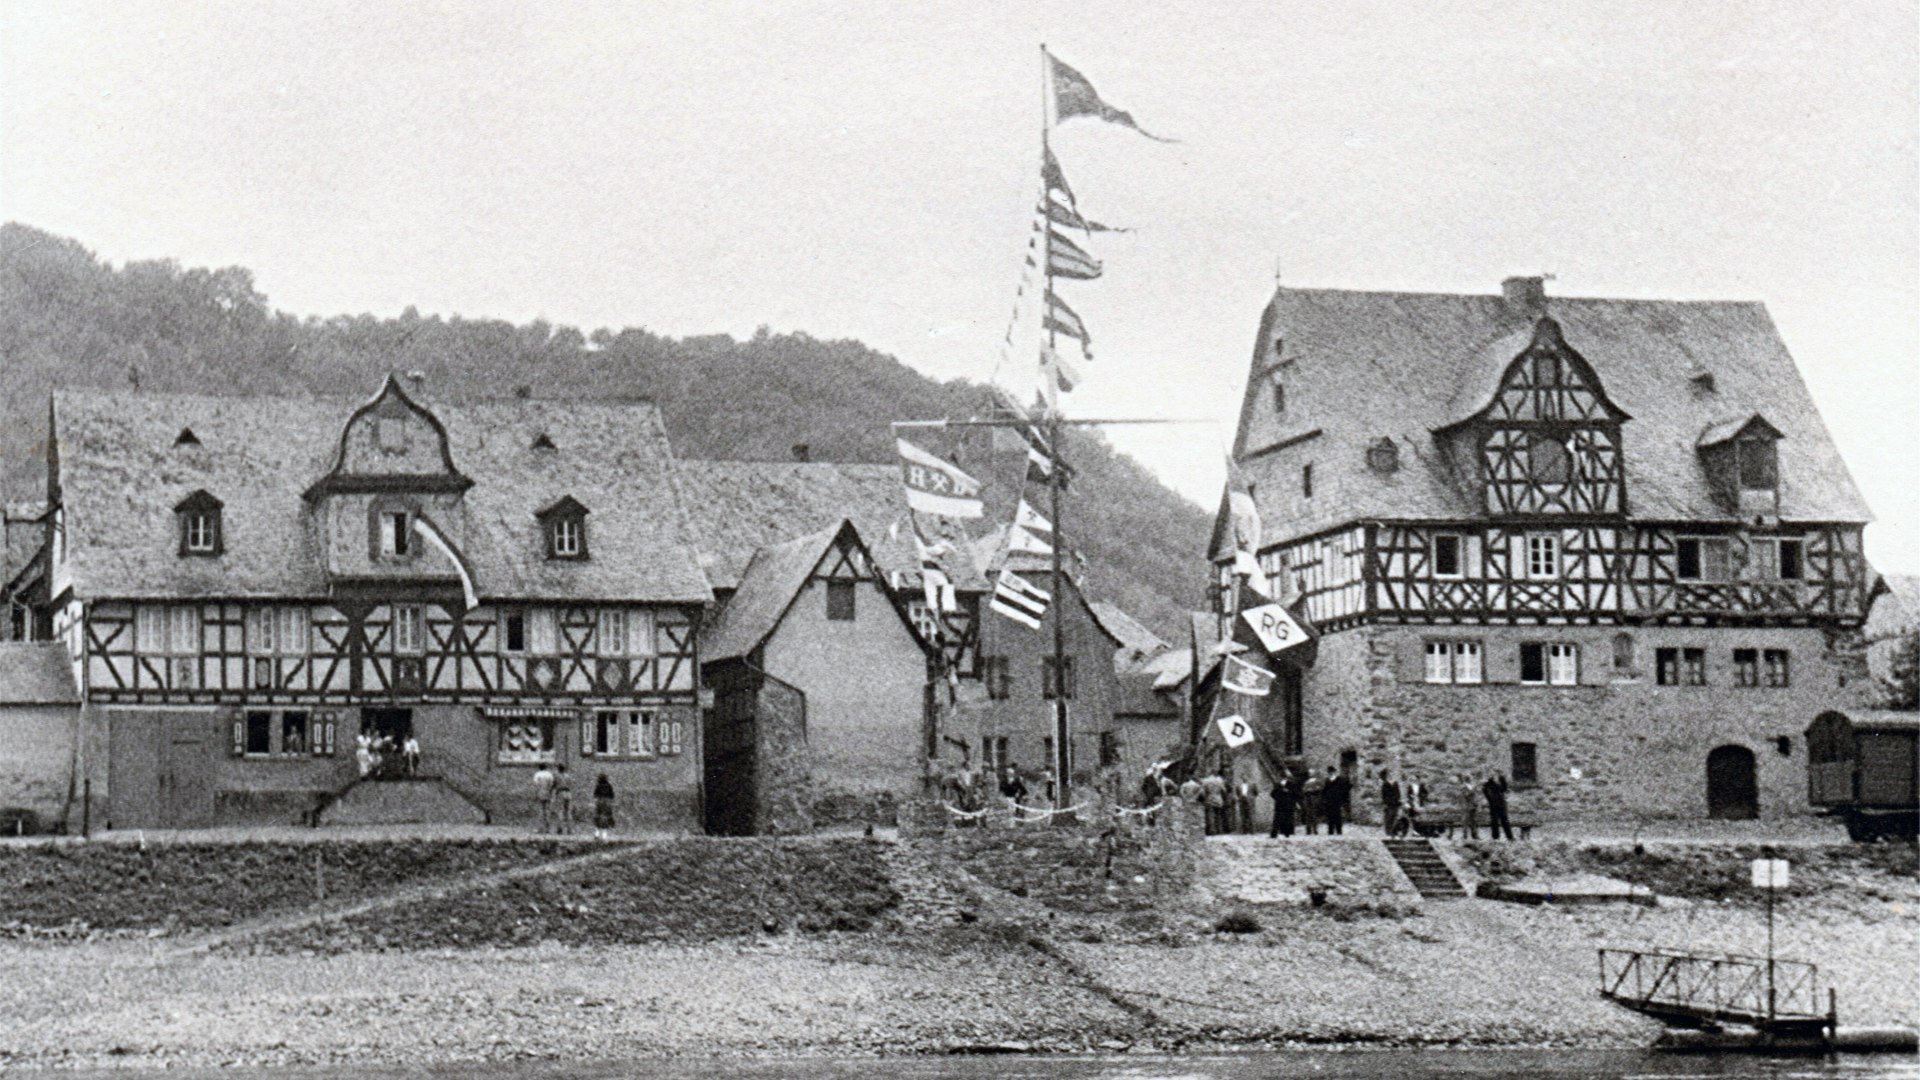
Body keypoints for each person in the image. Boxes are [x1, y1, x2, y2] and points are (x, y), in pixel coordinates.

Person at [1483, 772, 1514, 841]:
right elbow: (1485, 791)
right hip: (1494, 805)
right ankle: (1495, 837)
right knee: (1494, 821)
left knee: (1505, 821)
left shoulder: (1500, 782)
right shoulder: (1489, 783)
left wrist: (1502, 778)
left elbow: (1505, 788)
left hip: (1501, 804)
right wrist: (1490, 799)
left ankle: (1509, 837)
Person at [1268, 772, 1297, 838]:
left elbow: (1295, 794)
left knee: (1287, 819)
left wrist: (1288, 793)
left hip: (1288, 804)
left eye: (1283, 777)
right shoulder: (1277, 784)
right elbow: (1272, 794)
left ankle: (1287, 833)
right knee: (1277, 819)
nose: (1282, 779)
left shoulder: (1291, 784)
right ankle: (1274, 834)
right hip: (1279, 804)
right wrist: (1278, 798)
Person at [1323, 766, 1351, 835]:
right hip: (1329, 801)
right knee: (1330, 816)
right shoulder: (1327, 780)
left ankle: (1339, 830)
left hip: (1337, 800)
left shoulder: (1340, 780)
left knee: (1337, 815)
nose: (1330, 773)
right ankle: (1330, 831)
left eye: (1332, 772)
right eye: (1329, 772)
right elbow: (1325, 791)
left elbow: (1344, 789)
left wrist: (1343, 799)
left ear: (1334, 772)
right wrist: (1325, 799)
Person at [1200, 771, 1228, 835]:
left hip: (1210, 799)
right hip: (1218, 799)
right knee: (1218, 815)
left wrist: (1205, 797)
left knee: (1211, 815)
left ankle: (1212, 830)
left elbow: (1202, 792)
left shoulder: (1206, 781)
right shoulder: (1219, 781)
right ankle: (1219, 830)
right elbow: (1224, 790)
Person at [533, 762, 558, 833]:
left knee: (540, 810)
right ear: (546, 767)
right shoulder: (549, 774)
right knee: (547, 811)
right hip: (547, 793)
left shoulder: (537, 774)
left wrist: (535, 794)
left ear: (539, 767)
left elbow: (536, 785)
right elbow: (552, 784)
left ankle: (540, 828)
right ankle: (547, 828)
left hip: (540, 792)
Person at [1301, 768, 1325, 835]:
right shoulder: (1307, 782)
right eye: (1309, 773)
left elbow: (1320, 788)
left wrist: (1312, 790)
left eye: (1312, 772)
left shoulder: (1317, 781)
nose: (1310, 774)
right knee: (1308, 814)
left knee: (1314, 814)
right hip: (1307, 799)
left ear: (1314, 773)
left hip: (1314, 799)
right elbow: (1303, 789)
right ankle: (1308, 830)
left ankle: (1315, 830)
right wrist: (1307, 790)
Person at [592, 773, 616, 839]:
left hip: (600, 801)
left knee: (598, 816)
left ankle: (596, 834)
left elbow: (595, 794)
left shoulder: (598, 785)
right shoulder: (609, 786)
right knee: (606, 817)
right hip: (607, 802)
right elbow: (612, 795)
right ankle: (604, 835)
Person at [1458, 773, 1481, 840]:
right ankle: (1464, 835)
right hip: (1467, 806)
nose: (1471, 779)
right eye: (1469, 778)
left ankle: (1475, 835)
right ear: (1467, 779)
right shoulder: (1464, 786)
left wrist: (1477, 803)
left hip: (1473, 805)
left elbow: (1476, 796)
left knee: (1474, 821)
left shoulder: (1472, 786)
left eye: (1471, 778)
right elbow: (1466, 795)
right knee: (1465, 821)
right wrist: (1472, 791)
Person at [1379, 771, 1403, 837]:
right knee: (1389, 817)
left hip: (1395, 803)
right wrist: (1385, 803)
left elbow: (1398, 792)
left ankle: (1393, 831)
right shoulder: (1385, 784)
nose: (1390, 776)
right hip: (1389, 803)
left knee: (1395, 817)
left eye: (1391, 775)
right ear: (1387, 776)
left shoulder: (1395, 783)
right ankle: (1388, 831)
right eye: (1389, 775)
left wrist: (1399, 799)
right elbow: (1383, 794)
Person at [553, 763, 575, 835]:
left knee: (560, 811)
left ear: (558, 769)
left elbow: (554, 785)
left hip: (560, 793)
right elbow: (571, 784)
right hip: (568, 793)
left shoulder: (557, 776)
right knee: (568, 811)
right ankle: (570, 829)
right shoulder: (568, 776)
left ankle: (560, 829)